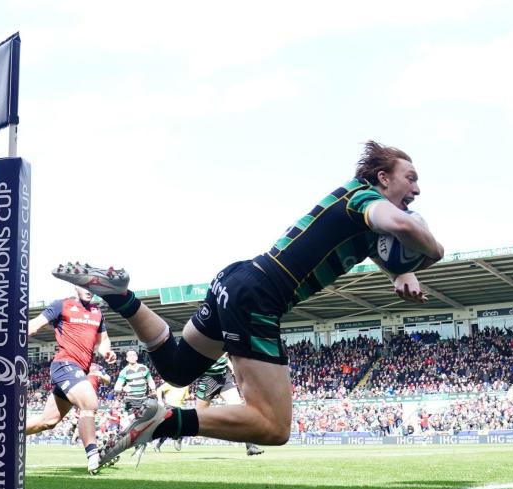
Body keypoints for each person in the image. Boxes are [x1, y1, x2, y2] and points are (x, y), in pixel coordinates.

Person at [53, 141, 444, 466]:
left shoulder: (354, 207)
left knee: (176, 368)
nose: (417, 189)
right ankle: (168, 421)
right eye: (411, 178)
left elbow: (376, 240)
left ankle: (120, 297)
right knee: (274, 427)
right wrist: (435, 250)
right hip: (260, 294)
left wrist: (398, 272)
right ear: (383, 179)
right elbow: (404, 226)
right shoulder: (365, 198)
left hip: (237, 277)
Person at [24, 285, 117, 473]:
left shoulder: (97, 312)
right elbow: (33, 326)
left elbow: (102, 341)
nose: (90, 290)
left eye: (93, 287)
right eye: (85, 286)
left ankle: (2, 434)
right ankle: (93, 456)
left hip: (79, 371)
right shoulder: (61, 305)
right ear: (76, 286)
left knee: (48, 421)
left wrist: (107, 350)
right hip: (64, 365)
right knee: (89, 403)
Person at [193, 355, 264, 456]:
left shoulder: (224, 340)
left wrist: (232, 368)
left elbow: (224, 356)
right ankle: (180, 435)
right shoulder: (202, 341)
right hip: (208, 380)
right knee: (197, 419)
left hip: (224, 378)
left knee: (240, 411)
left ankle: (250, 446)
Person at [154, 381, 188, 452]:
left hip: (179, 408)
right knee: (170, 427)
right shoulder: (172, 383)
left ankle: (177, 439)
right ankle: (177, 438)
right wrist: (160, 400)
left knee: (184, 425)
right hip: (169, 406)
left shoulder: (186, 386)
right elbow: (159, 389)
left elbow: (186, 397)